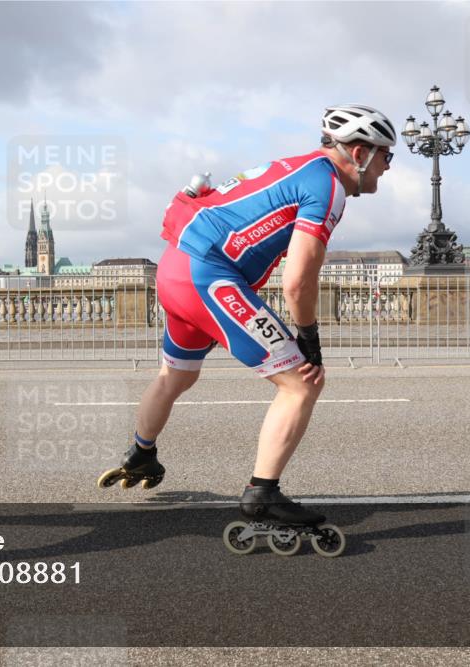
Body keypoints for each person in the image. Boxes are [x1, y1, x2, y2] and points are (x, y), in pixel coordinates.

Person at [99, 104, 396, 528]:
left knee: (175, 377)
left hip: (175, 266)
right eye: (386, 155)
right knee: (301, 383)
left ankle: (141, 453)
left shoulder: (293, 166)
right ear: (360, 152)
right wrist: (309, 340)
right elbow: (298, 281)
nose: (388, 166)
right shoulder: (328, 185)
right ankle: (262, 494)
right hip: (208, 278)